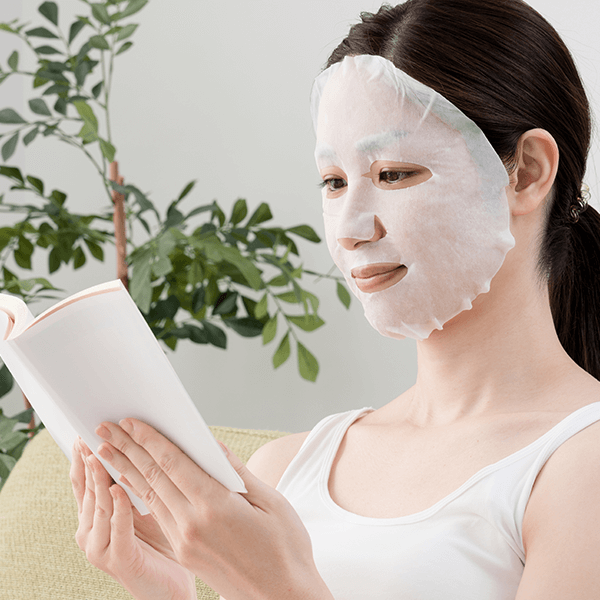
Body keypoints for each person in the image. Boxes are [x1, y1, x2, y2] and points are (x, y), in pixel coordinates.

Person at [70, 0, 600, 598]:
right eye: (333, 182)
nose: (350, 227)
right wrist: (166, 588)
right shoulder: (287, 469)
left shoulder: (583, 464)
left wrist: (276, 584)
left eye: (394, 174)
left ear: (526, 172)